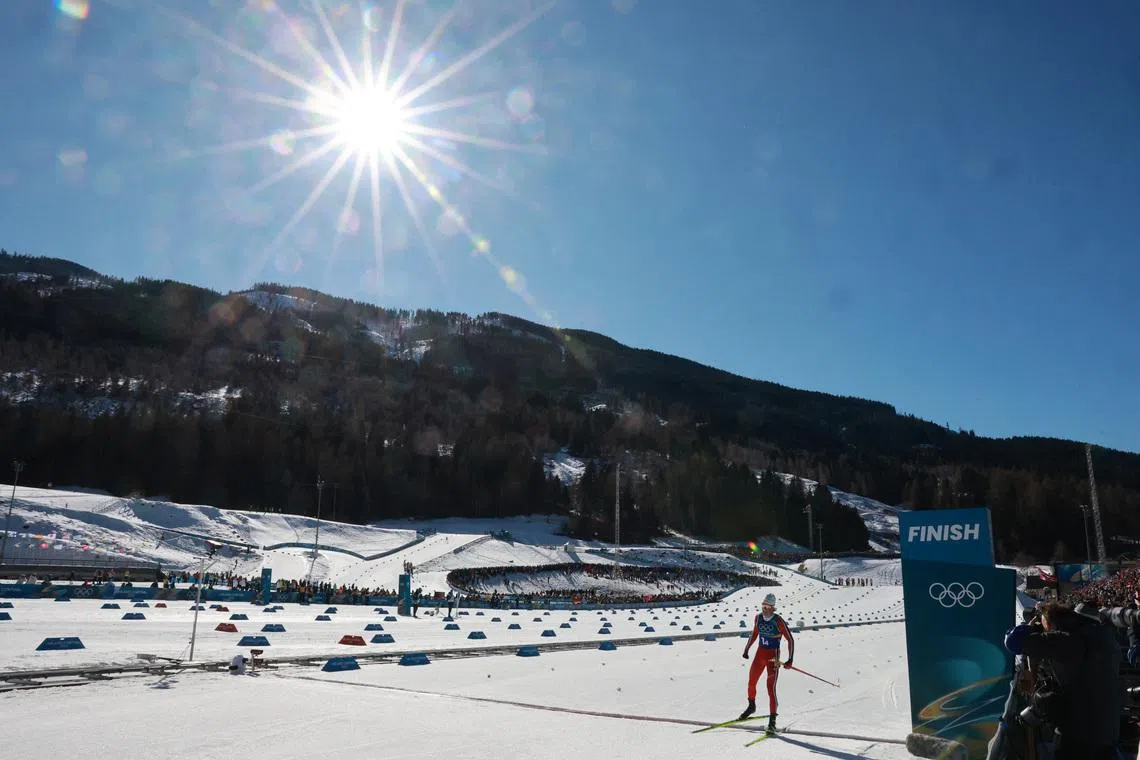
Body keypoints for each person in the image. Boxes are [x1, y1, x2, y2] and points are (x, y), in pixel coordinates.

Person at [1003, 601, 1121, 760]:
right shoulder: (1104, 635)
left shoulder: (1065, 640)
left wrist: (1030, 629)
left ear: (1050, 622)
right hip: (1108, 729)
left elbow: (1012, 641)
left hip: (1076, 734)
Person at [740, 592, 795, 733]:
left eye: (768, 607)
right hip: (760, 654)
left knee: (770, 688)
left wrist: (790, 659)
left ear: (773, 608)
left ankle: (772, 720)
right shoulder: (758, 618)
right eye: (763, 606)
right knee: (751, 681)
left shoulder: (778, 621)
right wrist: (746, 649)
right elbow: (754, 635)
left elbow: (790, 639)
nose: (765, 609)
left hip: (773, 657)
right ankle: (751, 705)